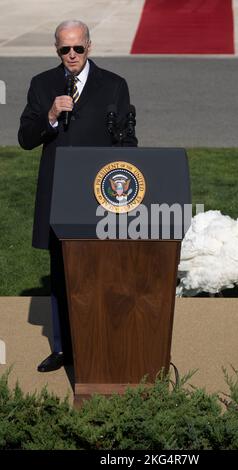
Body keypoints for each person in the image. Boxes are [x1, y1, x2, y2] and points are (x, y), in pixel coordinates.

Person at [18, 20, 138, 372]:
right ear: (57, 49)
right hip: (59, 193)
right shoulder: (42, 84)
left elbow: (127, 141)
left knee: (104, 271)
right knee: (61, 273)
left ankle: (105, 342)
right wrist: (51, 116)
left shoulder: (114, 85)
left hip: (102, 195)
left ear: (89, 46)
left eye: (77, 48)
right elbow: (25, 137)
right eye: (64, 49)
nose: (71, 55)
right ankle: (63, 349)